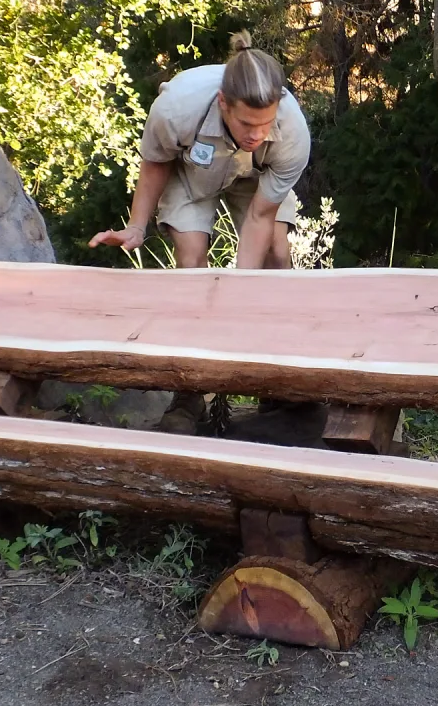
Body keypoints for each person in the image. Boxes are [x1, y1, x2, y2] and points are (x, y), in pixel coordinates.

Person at [89, 31, 312, 431]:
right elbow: (155, 162)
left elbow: (260, 217)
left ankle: (279, 382)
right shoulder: (178, 107)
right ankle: (190, 393)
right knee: (191, 264)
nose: (256, 134)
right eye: (246, 122)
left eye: (265, 124)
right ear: (224, 103)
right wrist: (137, 227)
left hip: (256, 178)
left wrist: (241, 293)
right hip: (192, 173)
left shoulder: (292, 135)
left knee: (277, 257)